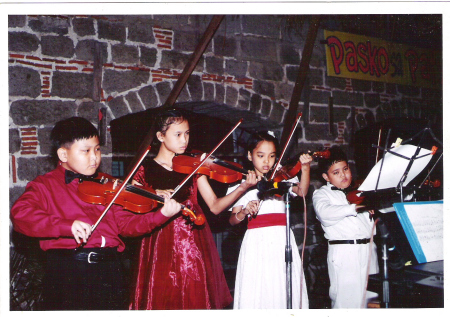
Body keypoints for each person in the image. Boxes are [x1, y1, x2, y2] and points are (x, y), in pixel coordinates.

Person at [10, 117, 182, 310]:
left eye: (97, 149)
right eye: (86, 151)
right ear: (63, 154)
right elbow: (20, 215)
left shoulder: (109, 183)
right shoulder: (44, 185)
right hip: (69, 272)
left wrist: (161, 215)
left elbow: (127, 226)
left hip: (111, 270)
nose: (94, 158)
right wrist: (67, 225)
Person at [129, 109, 258, 310]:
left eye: (187, 133)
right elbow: (133, 200)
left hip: (193, 242)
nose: (184, 140)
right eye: (178, 134)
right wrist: (154, 193)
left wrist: (243, 188)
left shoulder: (193, 166)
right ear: (161, 136)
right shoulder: (144, 169)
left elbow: (215, 207)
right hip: (159, 242)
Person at [228, 131, 311, 309]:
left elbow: (302, 192)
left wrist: (305, 169)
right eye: (261, 156)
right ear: (250, 156)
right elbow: (232, 220)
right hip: (256, 241)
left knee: (283, 284)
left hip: (281, 239)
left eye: (272, 156)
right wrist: (244, 212)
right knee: (259, 289)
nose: (267, 161)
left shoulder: (282, 178)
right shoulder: (242, 183)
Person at [312, 146, 379, 309]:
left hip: (370, 251)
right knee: (346, 304)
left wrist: (373, 206)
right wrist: (355, 207)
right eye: (336, 173)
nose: (343, 175)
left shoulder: (361, 191)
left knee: (373, 302)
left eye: (346, 169)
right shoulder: (321, 194)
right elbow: (325, 213)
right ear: (326, 177)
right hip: (345, 253)